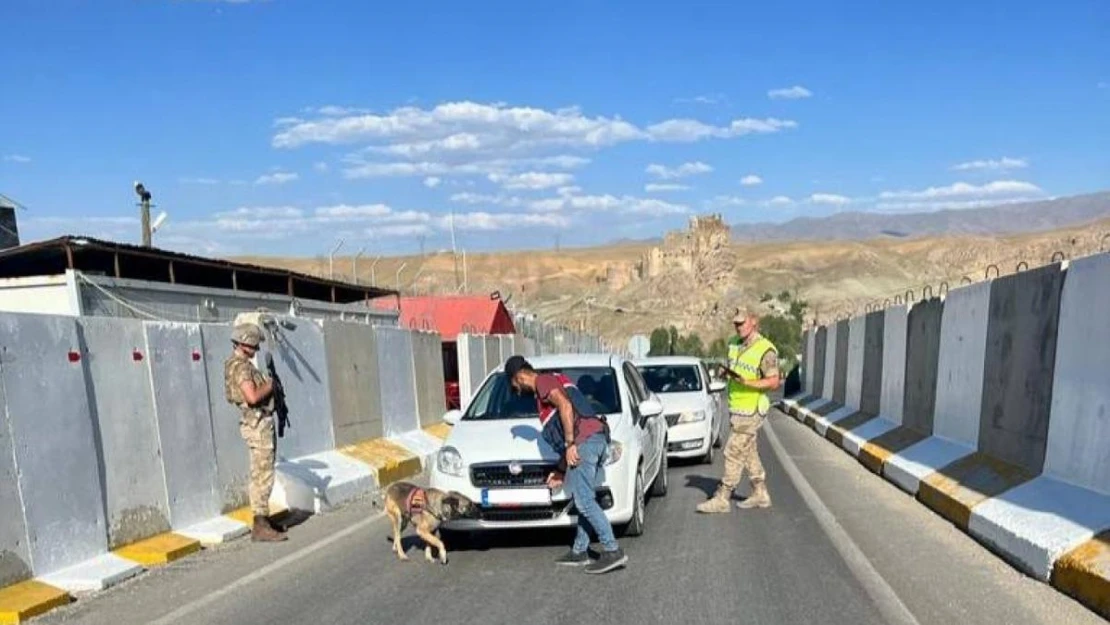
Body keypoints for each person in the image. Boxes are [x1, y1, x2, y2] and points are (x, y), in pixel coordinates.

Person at [503, 355, 628, 574]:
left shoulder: (543, 382)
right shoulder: (555, 380)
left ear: (520, 377)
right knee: (584, 496)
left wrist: (570, 444)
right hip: (595, 439)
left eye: (514, 385)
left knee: (584, 501)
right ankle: (580, 550)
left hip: (584, 443)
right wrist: (561, 470)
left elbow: (565, 406)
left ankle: (612, 549)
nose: (517, 390)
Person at [697, 308, 781, 514]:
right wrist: (726, 373)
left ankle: (723, 496)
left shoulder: (765, 349)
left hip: (752, 408)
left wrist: (747, 382)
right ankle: (760, 492)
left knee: (733, 451)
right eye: (735, 323)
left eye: (742, 323)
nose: (738, 326)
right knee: (748, 451)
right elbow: (736, 368)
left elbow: (773, 382)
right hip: (736, 408)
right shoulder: (734, 344)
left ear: (754, 321)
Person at [223, 323, 287, 542]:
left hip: (256, 423)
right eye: (254, 345)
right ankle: (260, 525)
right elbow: (252, 397)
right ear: (244, 343)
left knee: (262, 472)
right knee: (263, 474)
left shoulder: (237, 364)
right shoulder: (241, 368)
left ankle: (263, 519)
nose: (256, 349)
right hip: (257, 424)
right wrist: (270, 385)